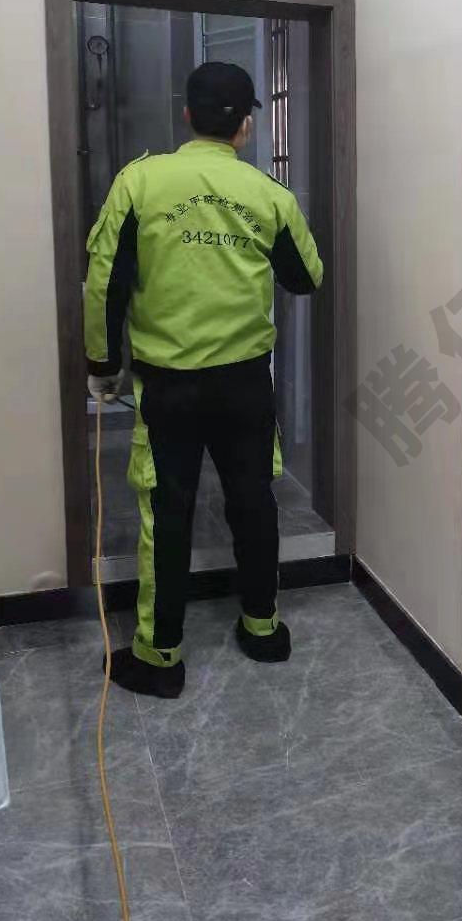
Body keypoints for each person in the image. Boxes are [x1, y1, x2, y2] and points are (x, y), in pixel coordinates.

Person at [84, 61, 323, 699]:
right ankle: (263, 629)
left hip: (169, 387)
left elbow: (105, 280)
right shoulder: (269, 194)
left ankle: (160, 658)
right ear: (247, 126)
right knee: (253, 501)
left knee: (167, 512)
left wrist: (102, 365)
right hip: (246, 384)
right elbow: (306, 277)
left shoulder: (139, 182)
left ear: (187, 115)